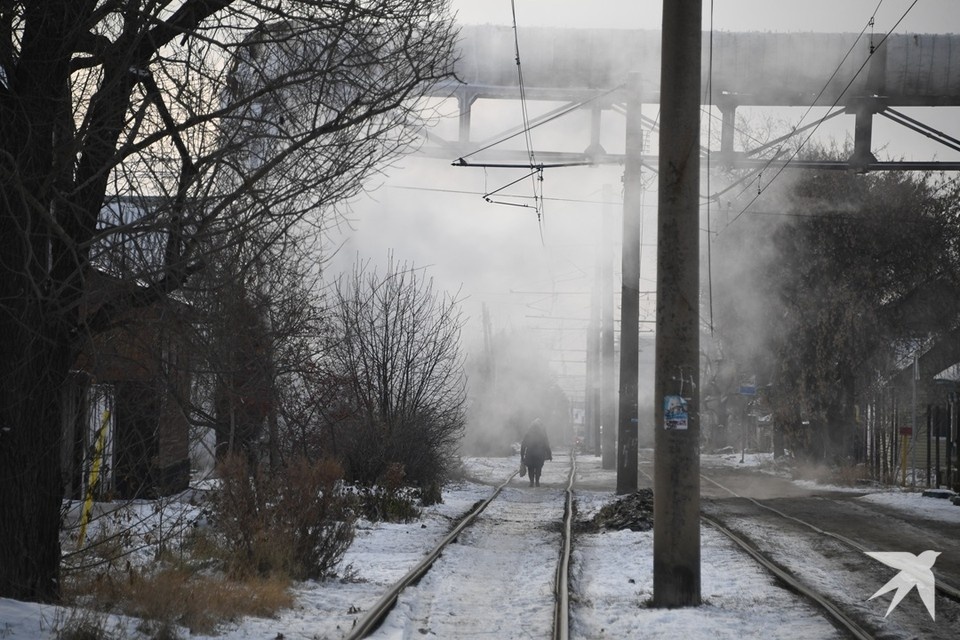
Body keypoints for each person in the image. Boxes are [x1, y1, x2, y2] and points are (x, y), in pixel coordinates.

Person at [520, 418, 552, 487]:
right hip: (540, 454)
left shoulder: (528, 434)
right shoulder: (542, 434)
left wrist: (522, 456)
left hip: (530, 454)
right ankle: (537, 481)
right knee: (538, 468)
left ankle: (531, 482)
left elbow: (523, 445)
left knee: (530, 468)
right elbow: (547, 445)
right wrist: (549, 454)